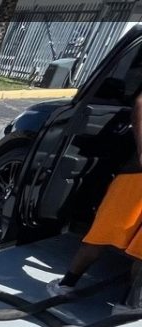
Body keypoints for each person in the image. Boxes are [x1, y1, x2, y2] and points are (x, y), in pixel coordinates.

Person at [47, 92, 142, 313]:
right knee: (106, 234)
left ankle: (69, 286)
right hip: (137, 175)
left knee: (105, 234)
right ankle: (127, 304)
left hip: (136, 176)